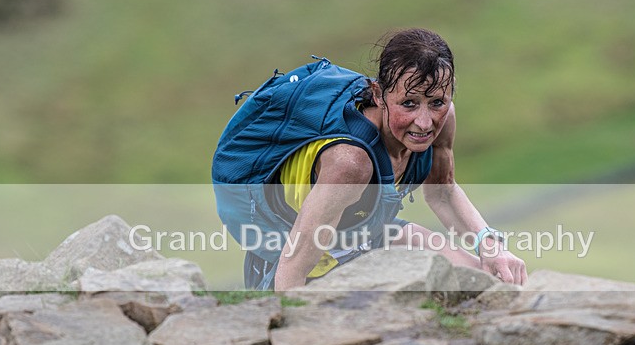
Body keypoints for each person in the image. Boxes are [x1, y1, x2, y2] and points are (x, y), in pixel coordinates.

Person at [212, 28, 527, 291]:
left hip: (366, 230)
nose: (425, 122)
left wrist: (491, 248)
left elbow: (442, 192)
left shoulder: (445, 119)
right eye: (408, 103)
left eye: (437, 102)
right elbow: (292, 268)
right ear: (378, 94)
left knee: (484, 279)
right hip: (292, 252)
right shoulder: (350, 164)